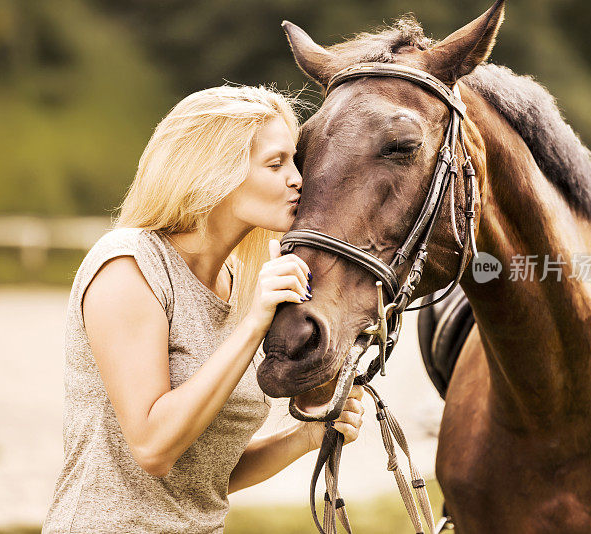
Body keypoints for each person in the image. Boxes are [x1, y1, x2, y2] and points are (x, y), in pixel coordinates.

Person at [42, 85, 364, 533]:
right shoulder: (129, 265)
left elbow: (204, 479)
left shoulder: (238, 285)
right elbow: (154, 448)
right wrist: (254, 324)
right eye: (275, 164)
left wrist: (309, 436)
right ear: (216, 171)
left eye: (295, 162)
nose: (297, 179)